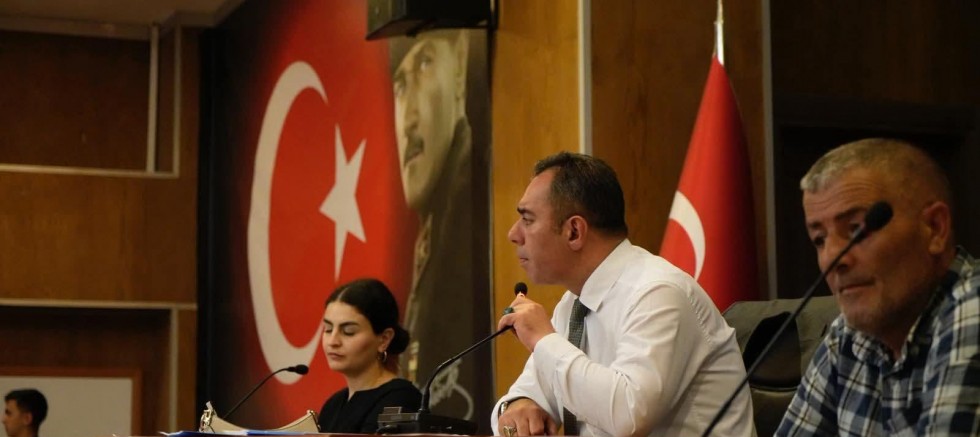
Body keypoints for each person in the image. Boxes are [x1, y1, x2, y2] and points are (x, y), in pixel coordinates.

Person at [492, 152, 754, 437]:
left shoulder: (657, 292)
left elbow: (629, 416)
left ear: (574, 231)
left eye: (527, 220)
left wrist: (543, 340)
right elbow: (528, 392)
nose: (513, 234)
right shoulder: (574, 304)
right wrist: (518, 406)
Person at [776, 138, 980, 436]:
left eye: (857, 229)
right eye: (819, 239)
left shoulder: (972, 310)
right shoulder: (848, 336)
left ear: (935, 228)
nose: (831, 259)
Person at [390, 29, 491, 421]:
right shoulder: (435, 230)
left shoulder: (472, 218)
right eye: (400, 86)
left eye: (425, 64)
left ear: (460, 65)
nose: (408, 120)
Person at [317, 278, 422, 433]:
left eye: (348, 332)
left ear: (384, 339)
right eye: (328, 329)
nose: (333, 341)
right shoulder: (332, 405)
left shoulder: (400, 398)